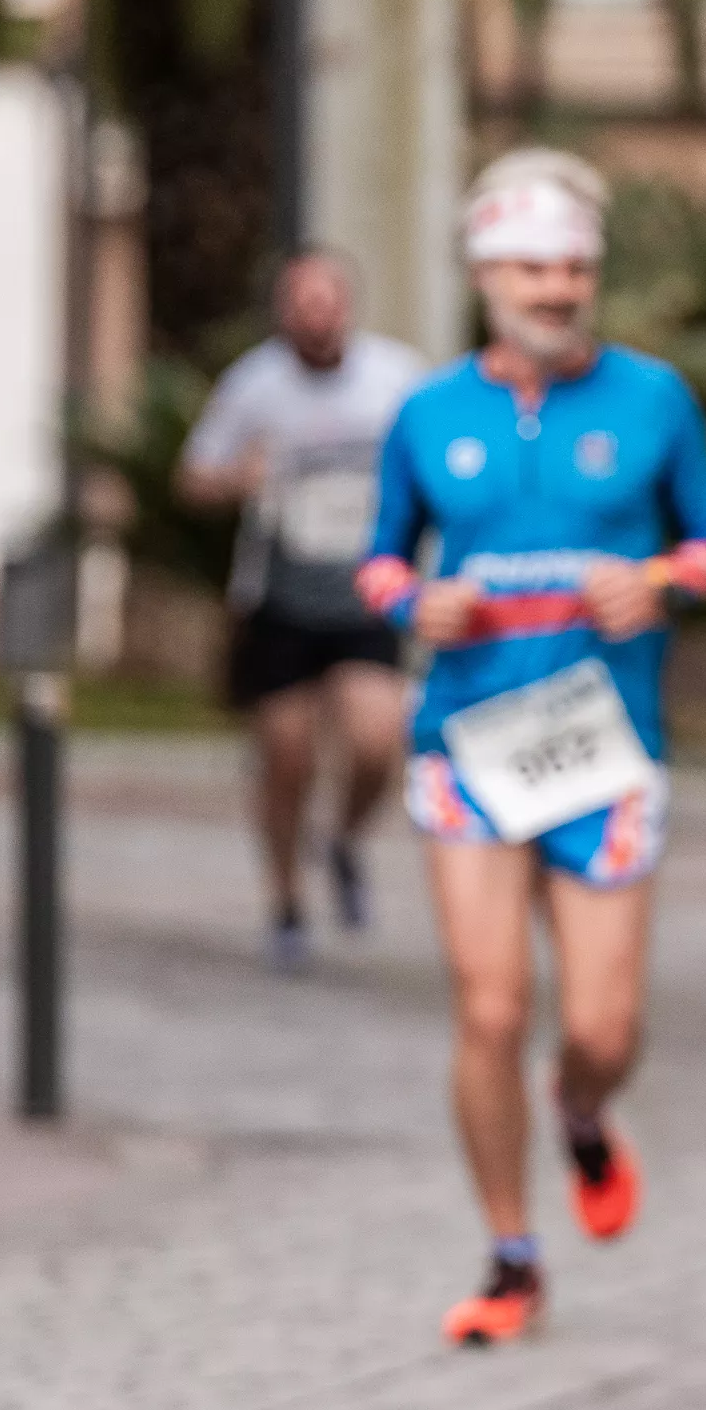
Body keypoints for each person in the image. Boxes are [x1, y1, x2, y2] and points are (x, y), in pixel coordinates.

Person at [352, 148, 706, 1347]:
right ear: (485, 273)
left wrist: (663, 580)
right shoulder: (428, 414)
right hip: (466, 745)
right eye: (533, 265)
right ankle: (512, 1256)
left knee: (600, 1031)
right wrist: (410, 603)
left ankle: (579, 1111)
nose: (559, 286)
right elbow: (378, 560)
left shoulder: (655, 399)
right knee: (489, 1007)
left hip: (603, 750)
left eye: (575, 265)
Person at [177, 250, 430, 972]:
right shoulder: (254, 385)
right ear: (283, 312)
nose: (316, 315)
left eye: (329, 300)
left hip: (364, 593)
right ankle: (287, 901)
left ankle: (344, 840)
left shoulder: (397, 378)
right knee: (285, 756)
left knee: (379, 737)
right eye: (301, 302)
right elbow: (193, 478)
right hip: (280, 595)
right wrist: (235, 475)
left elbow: (441, 463)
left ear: (349, 305)